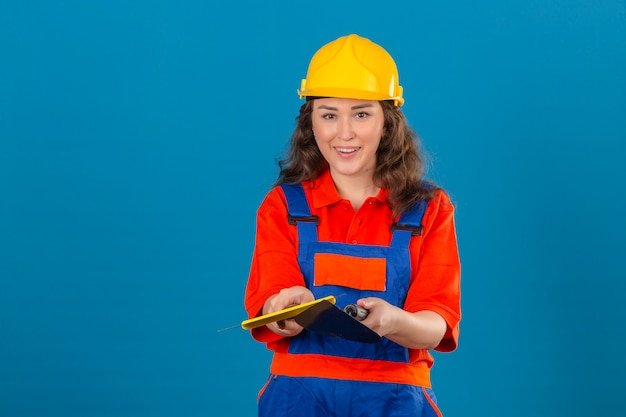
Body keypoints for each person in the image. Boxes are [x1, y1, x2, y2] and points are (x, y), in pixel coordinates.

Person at [244, 34, 461, 417]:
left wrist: (394, 321)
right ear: (310, 123)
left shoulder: (429, 210)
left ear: (387, 123)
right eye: (329, 114)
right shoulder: (282, 206)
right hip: (298, 399)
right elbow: (270, 302)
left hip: (395, 397)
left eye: (361, 114)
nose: (344, 133)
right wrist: (286, 307)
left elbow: (437, 324)